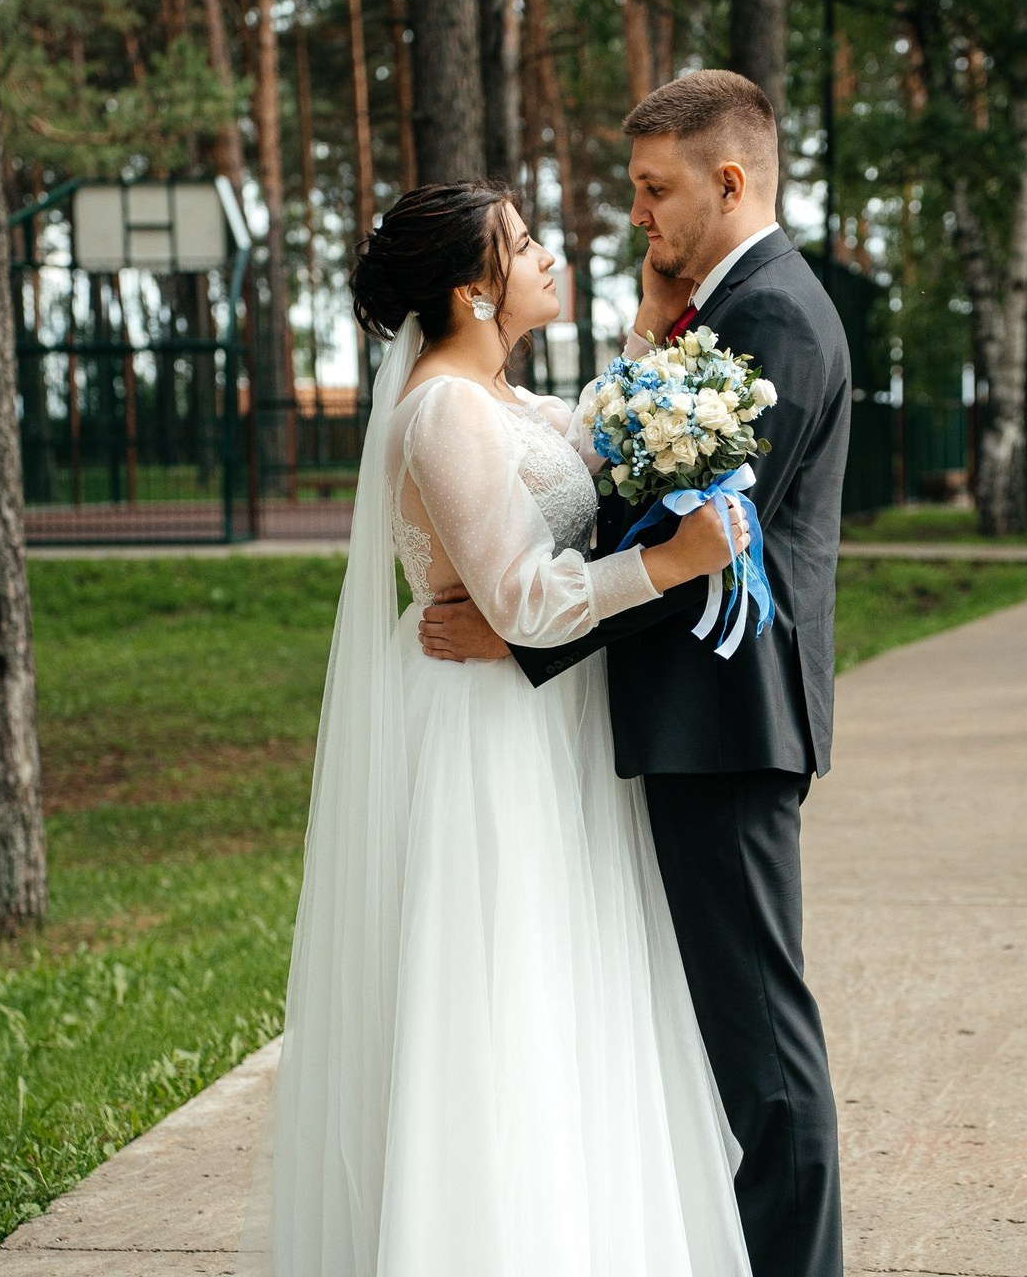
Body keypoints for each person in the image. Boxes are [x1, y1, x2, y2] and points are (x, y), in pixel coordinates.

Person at [235, 179, 755, 1276]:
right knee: (504, 989)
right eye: (522, 245)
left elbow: (588, 447)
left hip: (547, 722)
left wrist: (650, 328)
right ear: (473, 290)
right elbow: (518, 599)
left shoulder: (505, 399)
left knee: (566, 983)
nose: (546, 254)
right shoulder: (442, 412)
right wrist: (672, 563)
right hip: (483, 733)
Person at [419, 71, 850, 1277]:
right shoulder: (727, 306)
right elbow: (644, 490)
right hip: (698, 721)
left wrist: (527, 630)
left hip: (725, 722)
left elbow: (705, 536)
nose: (637, 215)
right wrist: (652, 336)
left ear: (730, 181)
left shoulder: (771, 318)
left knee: (762, 1048)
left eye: (655, 190)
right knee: (723, 1039)